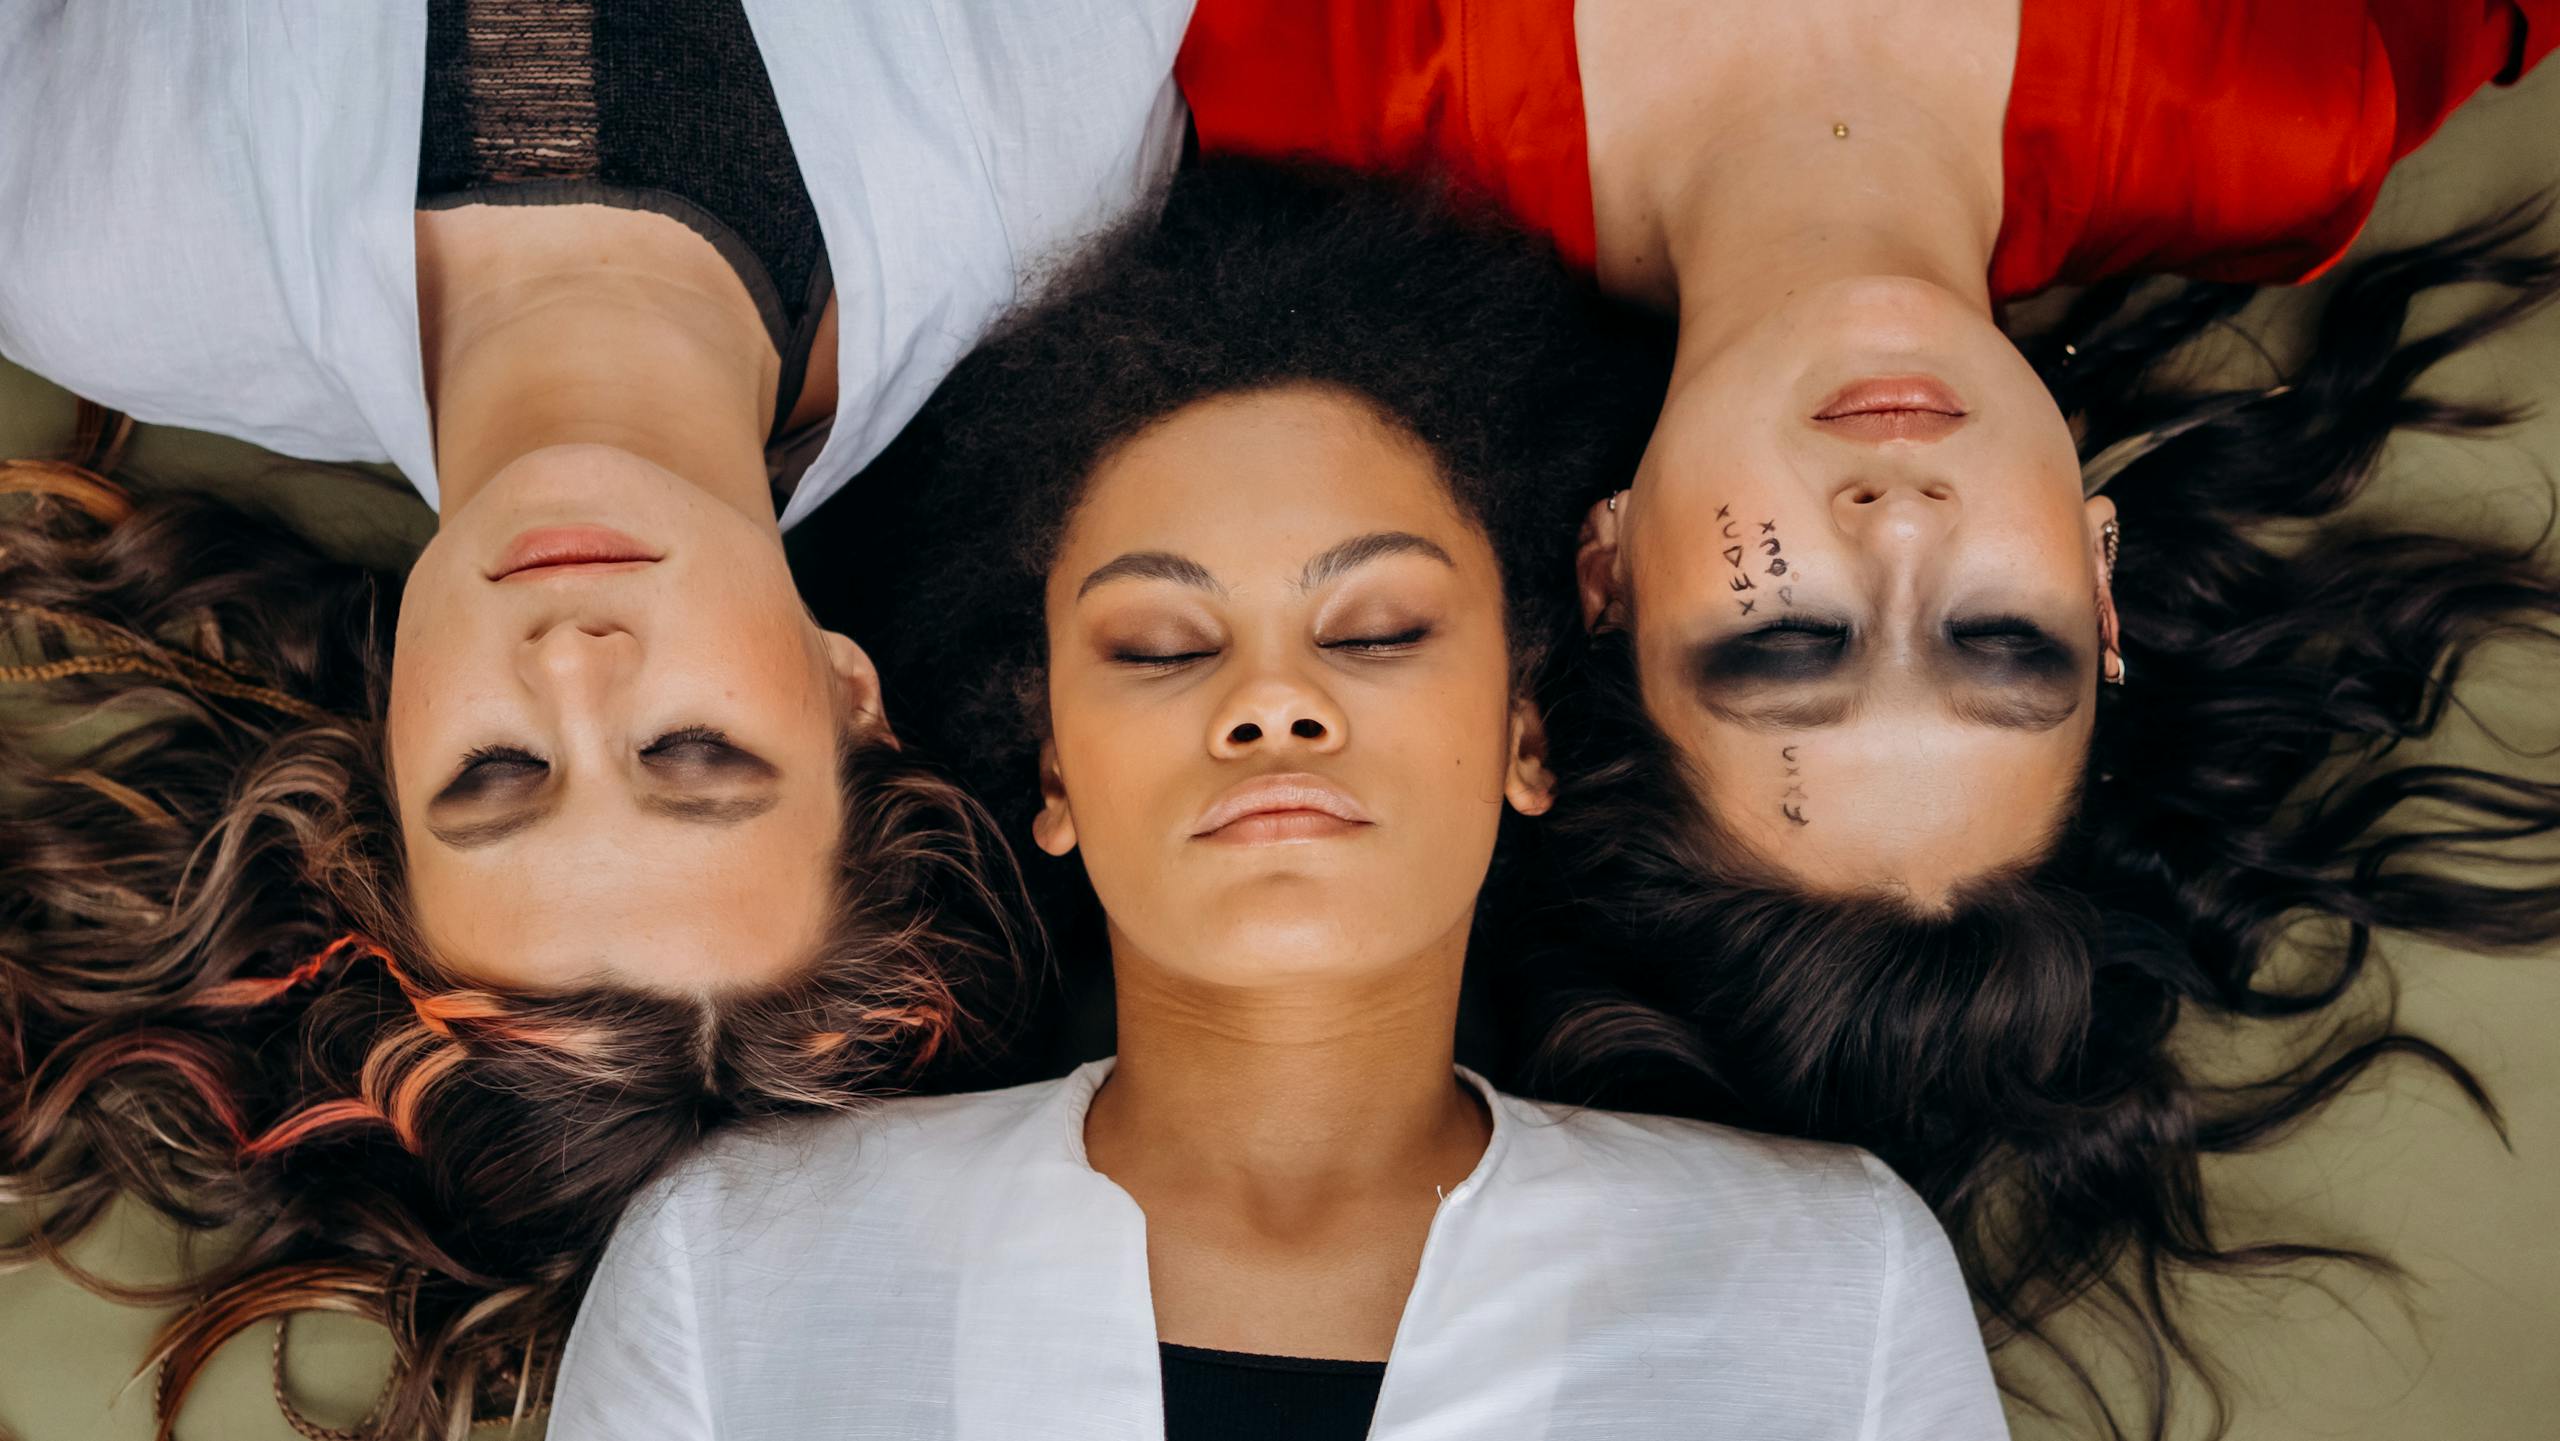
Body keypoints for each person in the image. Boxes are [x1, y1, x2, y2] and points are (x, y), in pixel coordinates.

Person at [1174, 3, 2560, 1432]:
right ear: (2100, 579)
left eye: (1789, 640)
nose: (1897, 524)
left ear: (1606, 571)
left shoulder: (1310, 92)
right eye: (1997, 636)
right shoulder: (2280, 107)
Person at [549, 158, 2010, 1441]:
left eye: (1375, 630)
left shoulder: (1834, 1286)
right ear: (1053, 767)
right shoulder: (735, 1271)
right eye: (1163, 645)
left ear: (1524, 732)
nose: (1272, 700)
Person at [0, 1, 1187, 1432]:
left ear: (381, 751)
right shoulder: (1047, 159)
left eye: (496, 772)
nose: (571, 663)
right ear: (848, 694)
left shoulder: (91, 249)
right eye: (694, 753)